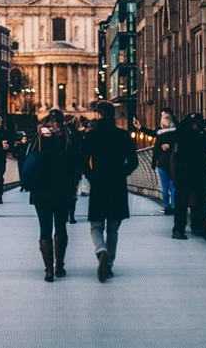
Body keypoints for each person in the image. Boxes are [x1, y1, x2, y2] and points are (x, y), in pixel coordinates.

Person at [82, 101, 139, 282]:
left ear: (98, 115)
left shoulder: (92, 136)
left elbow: (82, 160)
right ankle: (109, 264)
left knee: (96, 225)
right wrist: (122, 172)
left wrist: (92, 176)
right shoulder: (122, 136)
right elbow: (134, 161)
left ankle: (101, 250)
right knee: (113, 228)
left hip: (99, 184)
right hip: (117, 185)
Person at [29, 109, 79, 282]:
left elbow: (27, 160)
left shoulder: (38, 139)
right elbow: (75, 165)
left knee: (44, 229)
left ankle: (48, 270)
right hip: (62, 191)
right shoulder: (67, 138)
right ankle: (59, 266)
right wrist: (73, 187)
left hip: (41, 191)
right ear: (61, 122)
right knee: (60, 227)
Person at [171, 112, 206, 240]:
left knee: (200, 200)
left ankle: (198, 227)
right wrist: (198, 129)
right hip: (187, 172)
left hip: (196, 172)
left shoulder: (195, 133)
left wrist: (200, 129)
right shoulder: (183, 133)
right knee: (183, 202)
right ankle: (179, 229)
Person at [134, 108, 178, 214]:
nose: (161, 117)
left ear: (167, 117)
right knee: (173, 186)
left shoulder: (160, 134)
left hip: (162, 163)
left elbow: (156, 150)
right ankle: (174, 207)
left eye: (162, 116)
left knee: (164, 187)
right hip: (174, 162)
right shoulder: (177, 132)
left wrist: (153, 163)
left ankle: (166, 207)